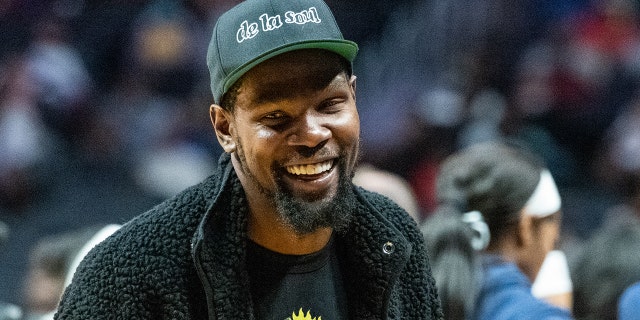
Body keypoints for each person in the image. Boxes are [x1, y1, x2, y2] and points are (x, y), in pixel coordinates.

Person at [54, 0, 443, 319]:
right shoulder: (129, 277)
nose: (312, 134)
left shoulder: (397, 241)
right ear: (225, 128)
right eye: (276, 117)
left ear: (354, 98)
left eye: (330, 105)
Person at [421, 140, 572, 320]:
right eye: (553, 227)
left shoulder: (401, 298)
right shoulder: (539, 315)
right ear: (525, 227)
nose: (553, 243)